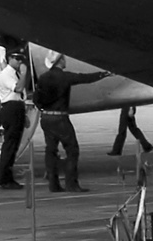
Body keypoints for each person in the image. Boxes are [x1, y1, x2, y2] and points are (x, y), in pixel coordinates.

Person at [36, 51, 111, 193]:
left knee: (51, 150)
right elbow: (84, 78)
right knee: (72, 150)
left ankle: (54, 184)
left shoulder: (43, 78)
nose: (65, 60)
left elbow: (36, 99)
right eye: (63, 59)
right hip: (60, 118)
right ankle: (71, 183)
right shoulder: (65, 77)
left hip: (46, 118)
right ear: (59, 61)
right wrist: (103, 74)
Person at [0, 52, 28, 190]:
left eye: (21, 60)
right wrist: (25, 74)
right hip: (10, 108)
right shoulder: (6, 74)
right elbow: (18, 88)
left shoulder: (14, 73)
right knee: (10, 144)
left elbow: (18, 95)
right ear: (9, 59)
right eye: (17, 59)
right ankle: (4, 178)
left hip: (16, 107)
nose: (20, 62)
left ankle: (7, 177)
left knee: (13, 145)